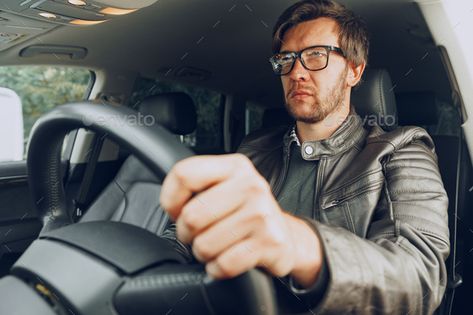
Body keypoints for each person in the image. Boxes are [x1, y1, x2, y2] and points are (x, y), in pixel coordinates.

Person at [160, 0, 449, 313]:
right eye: (286, 59)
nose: (296, 72)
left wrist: (296, 243)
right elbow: (186, 234)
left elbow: (419, 278)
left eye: (316, 55)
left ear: (354, 70)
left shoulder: (402, 150)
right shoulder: (253, 150)